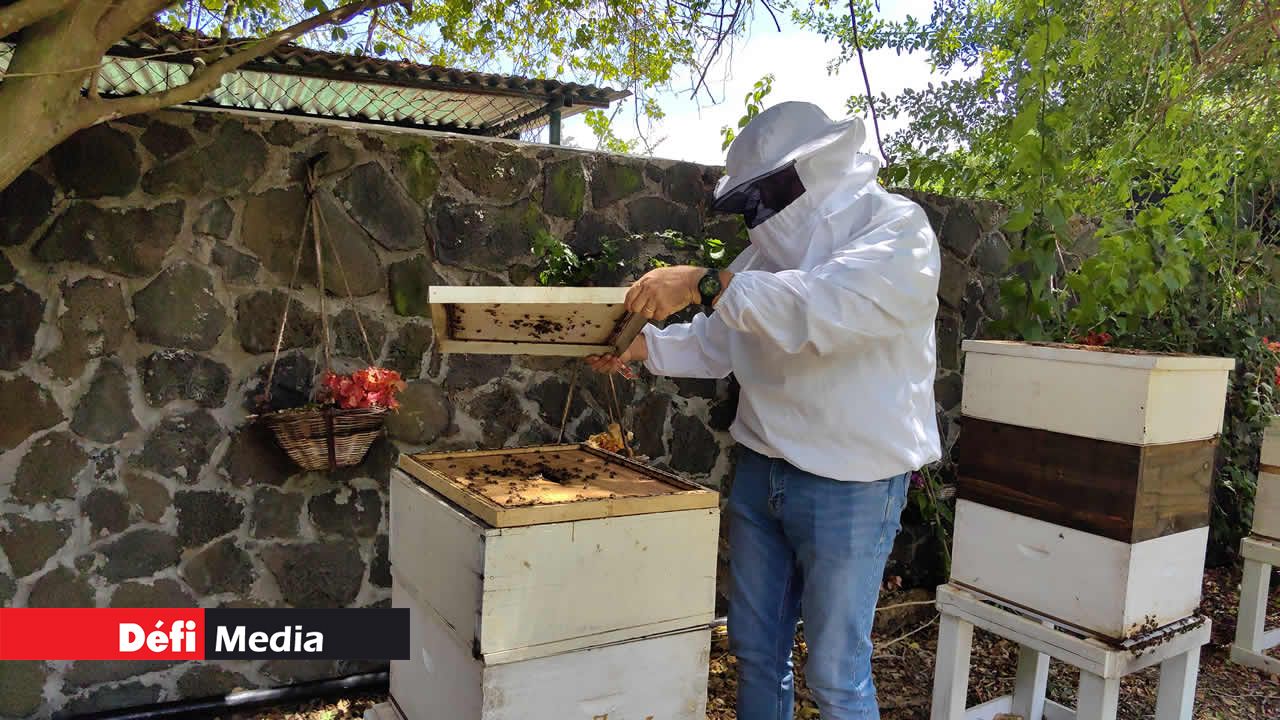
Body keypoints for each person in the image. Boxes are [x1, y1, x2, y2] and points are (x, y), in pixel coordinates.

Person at [587, 101, 942, 720]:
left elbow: (823, 311)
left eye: (764, 195)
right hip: (762, 471)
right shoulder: (761, 261)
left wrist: (705, 282)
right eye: (748, 201)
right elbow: (718, 341)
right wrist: (635, 347)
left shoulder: (896, 230)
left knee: (836, 673)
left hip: (851, 485)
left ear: (809, 171)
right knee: (756, 651)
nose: (759, 214)